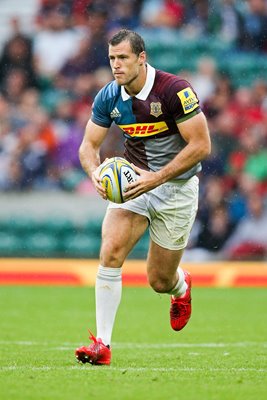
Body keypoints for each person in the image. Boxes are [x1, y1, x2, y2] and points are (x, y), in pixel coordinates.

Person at [75, 29, 211, 365]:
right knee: (111, 250)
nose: (116, 65)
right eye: (111, 59)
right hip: (134, 183)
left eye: (123, 58)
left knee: (159, 280)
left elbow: (201, 145)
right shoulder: (109, 96)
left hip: (176, 188)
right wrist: (95, 172)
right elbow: (88, 146)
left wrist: (159, 177)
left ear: (141, 58)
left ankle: (181, 287)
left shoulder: (174, 90)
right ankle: (102, 345)